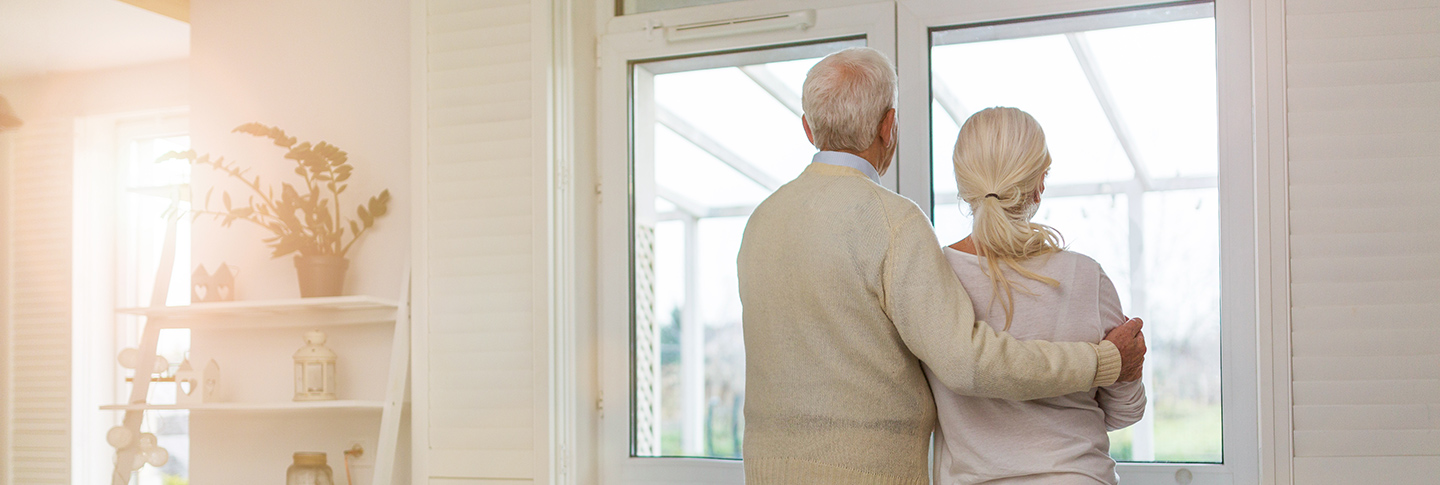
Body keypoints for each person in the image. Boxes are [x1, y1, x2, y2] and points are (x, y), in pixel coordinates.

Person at [737, 47, 1146, 485]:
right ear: (889, 126)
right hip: (871, 472)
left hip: (769, 471)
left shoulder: (760, 220)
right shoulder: (893, 223)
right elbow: (968, 361)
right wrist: (1103, 361)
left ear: (807, 127)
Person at [927, 107, 1146, 485]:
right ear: (1038, 184)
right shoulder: (1085, 277)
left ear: (964, 185)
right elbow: (1124, 413)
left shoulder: (931, 279)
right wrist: (1127, 368)